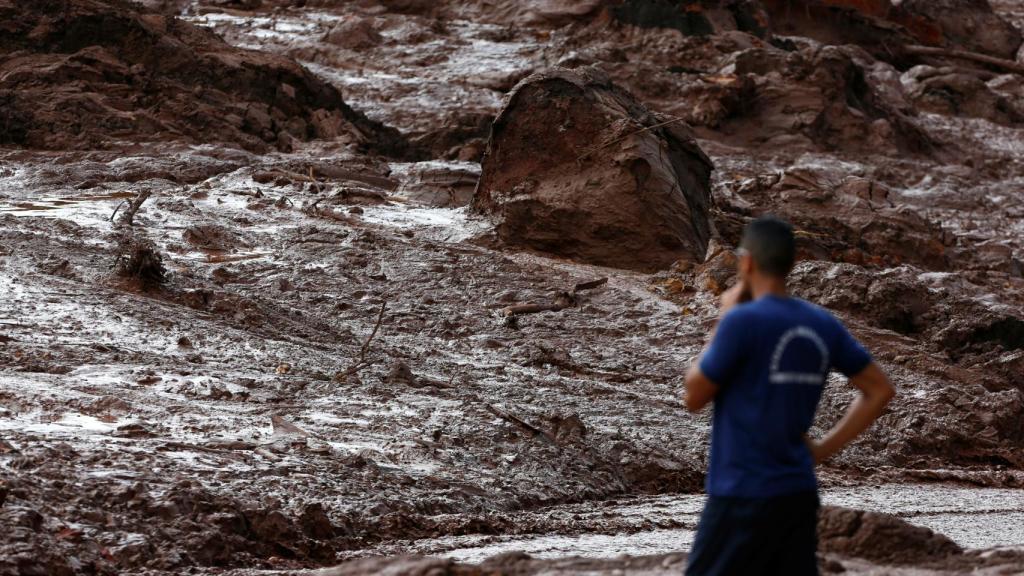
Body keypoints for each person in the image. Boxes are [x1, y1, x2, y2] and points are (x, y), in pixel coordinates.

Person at [682, 216, 896, 576]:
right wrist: (821, 451)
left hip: (741, 492)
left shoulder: (741, 321)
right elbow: (880, 390)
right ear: (791, 264)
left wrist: (723, 318)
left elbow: (694, 396)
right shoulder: (822, 323)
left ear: (746, 261)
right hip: (797, 493)